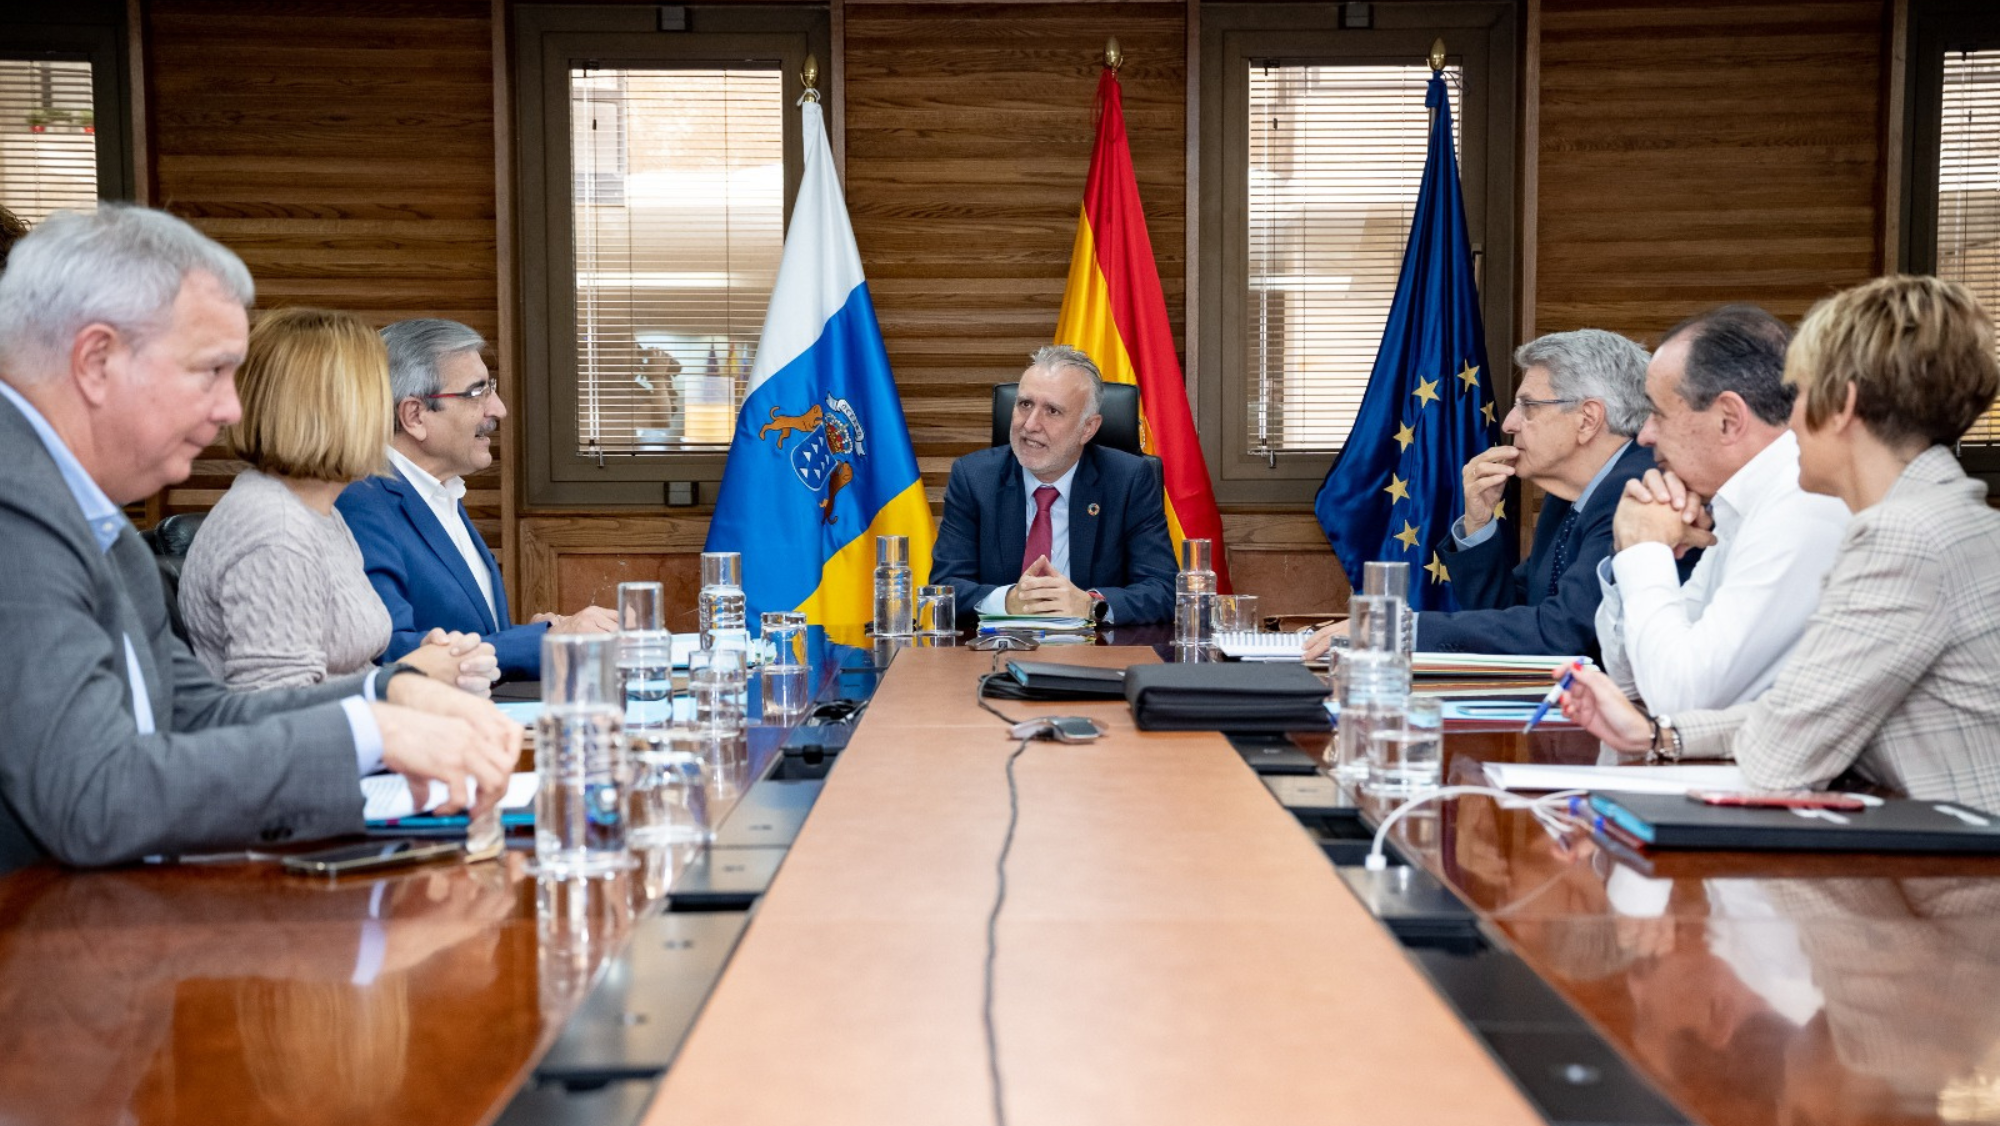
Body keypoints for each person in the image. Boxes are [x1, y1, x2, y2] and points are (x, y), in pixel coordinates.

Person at [0, 204, 519, 871]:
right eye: (209, 371)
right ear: (97, 360)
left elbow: (198, 715)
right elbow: (92, 798)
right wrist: (367, 731)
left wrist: (385, 696)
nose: (229, 409)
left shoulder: (95, 520)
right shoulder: (18, 507)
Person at [1562, 275, 2000, 810]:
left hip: (1960, 852)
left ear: (1841, 406)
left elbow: (1778, 756)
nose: (1788, 419)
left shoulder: (1902, 535)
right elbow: (1810, 709)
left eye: (1800, 393)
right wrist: (1663, 736)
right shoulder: (1931, 513)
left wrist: (1644, 551)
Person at [179, 306, 499, 693]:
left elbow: (349, 672)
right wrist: (406, 677)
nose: (394, 419)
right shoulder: (274, 529)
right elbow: (278, 708)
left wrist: (435, 661)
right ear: (327, 412)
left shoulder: (317, 513)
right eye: (376, 397)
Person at [1308, 329, 1669, 658]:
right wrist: (1479, 525)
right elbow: (1514, 617)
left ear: (1588, 419)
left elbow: (1562, 632)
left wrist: (1400, 630)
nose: (1509, 423)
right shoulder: (1567, 495)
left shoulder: (1637, 491)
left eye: (1528, 406)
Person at [1595, 305, 1850, 712]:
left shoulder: (1801, 505)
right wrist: (1631, 548)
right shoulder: (1740, 501)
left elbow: (1679, 697)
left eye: (1657, 413)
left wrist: (1645, 549)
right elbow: (1631, 679)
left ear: (1728, 419)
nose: (1644, 435)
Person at [337, 319, 615, 680]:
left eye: (490, 389)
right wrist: (546, 641)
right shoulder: (362, 505)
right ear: (415, 416)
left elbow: (471, 636)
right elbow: (391, 652)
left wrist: (541, 634)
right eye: (476, 392)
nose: (498, 409)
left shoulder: (441, 492)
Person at [930, 344, 1177, 625]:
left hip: (1094, 649)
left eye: (1052, 411)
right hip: (999, 646)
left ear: (1088, 428)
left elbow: (1163, 589)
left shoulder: (1128, 480)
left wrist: (1089, 604)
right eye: (1025, 404)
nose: (1030, 425)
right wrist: (1008, 601)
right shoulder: (974, 478)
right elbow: (945, 587)